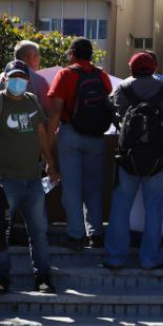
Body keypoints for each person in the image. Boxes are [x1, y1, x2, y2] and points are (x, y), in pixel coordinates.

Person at [0, 64, 58, 294]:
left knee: (39, 232)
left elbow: (41, 134)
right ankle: (1, 277)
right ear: (5, 78)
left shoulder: (32, 100)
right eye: (14, 77)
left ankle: (43, 277)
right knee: (1, 232)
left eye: (22, 77)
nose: (18, 81)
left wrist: (50, 164)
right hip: (4, 180)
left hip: (33, 179)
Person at [104, 51, 163, 271]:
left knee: (121, 208)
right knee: (154, 209)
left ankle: (115, 258)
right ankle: (150, 258)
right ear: (154, 69)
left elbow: (111, 113)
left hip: (127, 157)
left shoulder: (121, 89)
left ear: (131, 68)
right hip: (158, 159)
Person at [47, 37, 113, 249]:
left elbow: (55, 111)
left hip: (70, 135)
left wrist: (48, 146)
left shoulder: (65, 74)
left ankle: (76, 236)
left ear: (73, 54)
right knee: (94, 188)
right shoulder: (102, 75)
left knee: (72, 188)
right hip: (97, 137)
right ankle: (96, 234)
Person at [0, 40, 51, 116]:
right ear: (30, 57)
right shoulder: (38, 80)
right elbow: (47, 111)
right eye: (37, 55)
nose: (39, 59)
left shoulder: (0, 78)